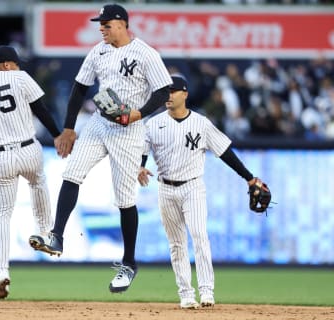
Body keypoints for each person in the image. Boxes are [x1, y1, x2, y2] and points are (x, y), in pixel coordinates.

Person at [28, 3, 172, 293]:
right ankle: (57, 236)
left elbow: (163, 92)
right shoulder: (99, 51)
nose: (101, 28)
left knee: (124, 199)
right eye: (100, 24)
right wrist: (68, 127)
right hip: (100, 122)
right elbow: (79, 88)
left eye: (106, 24)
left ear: (121, 23)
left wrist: (137, 114)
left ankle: (129, 262)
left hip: (129, 129)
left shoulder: (146, 53)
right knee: (71, 173)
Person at [138, 75, 267, 309]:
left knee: (199, 236)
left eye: (172, 91)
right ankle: (186, 294)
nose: (168, 96)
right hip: (165, 188)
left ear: (184, 94)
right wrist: (140, 165)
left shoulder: (201, 123)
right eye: (165, 92)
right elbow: (142, 149)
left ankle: (207, 291)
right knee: (176, 244)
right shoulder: (153, 123)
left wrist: (249, 178)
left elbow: (225, 152)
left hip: (193, 187)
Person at [0, 45, 61, 299]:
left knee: (1, 215)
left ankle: (1, 272)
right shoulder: (20, 77)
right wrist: (58, 135)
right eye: (16, 63)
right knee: (38, 182)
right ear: (6, 65)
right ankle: (46, 232)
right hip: (28, 149)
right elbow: (41, 110)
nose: (19, 67)